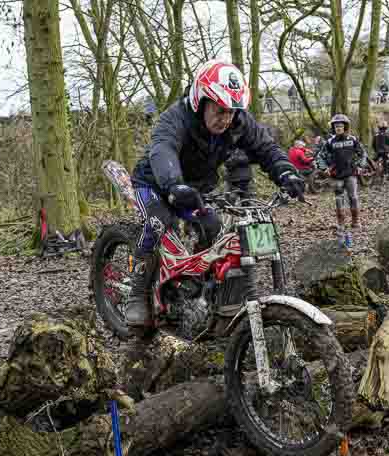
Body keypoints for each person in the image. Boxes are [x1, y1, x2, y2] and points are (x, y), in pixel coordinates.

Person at [125, 60, 305, 328]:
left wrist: (286, 172)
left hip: (196, 188)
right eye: (220, 110)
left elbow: (267, 148)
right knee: (158, 223)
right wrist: (174, 184)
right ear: (201, 101)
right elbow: (163, 149)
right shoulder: (175, 118)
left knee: (212, 226)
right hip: (155, 183)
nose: (226, 119)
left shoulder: (238, 123)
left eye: (232, 112)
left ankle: (196, 291)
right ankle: (137, 293)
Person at [316, 114, 366, 231]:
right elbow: (320, 156)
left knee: (353, 197)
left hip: (350, 173)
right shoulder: (329, 142)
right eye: (336, 126)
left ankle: (355, 221)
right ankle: (341, 223)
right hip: (336, 175)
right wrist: (324, 168)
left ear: (345, 127)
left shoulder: (352, 140)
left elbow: (362, 153)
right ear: (333, 128)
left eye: (340, 126)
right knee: (339, 199)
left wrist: (360, 165)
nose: (338, 128)